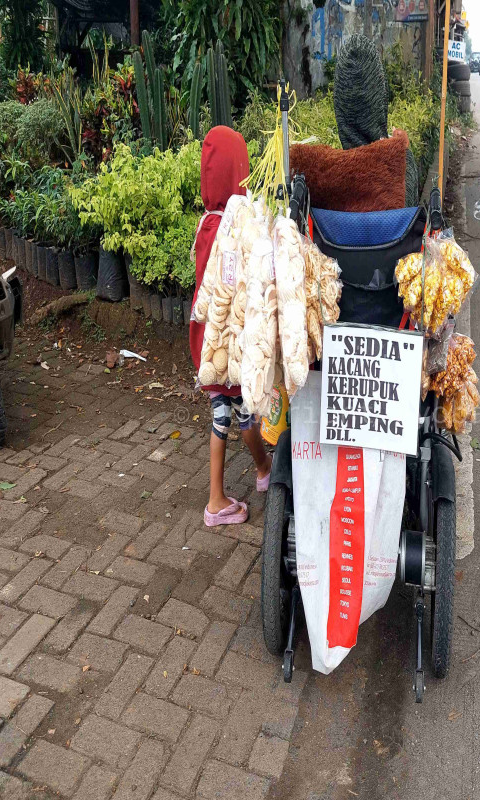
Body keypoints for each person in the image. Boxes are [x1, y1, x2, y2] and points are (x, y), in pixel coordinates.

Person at [189, 126, 272, 527]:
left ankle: (261, 470)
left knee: (231, 411)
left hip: (206, 338)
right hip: (226, 342)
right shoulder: (232, 228)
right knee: (236, 414)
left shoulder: (207, 223)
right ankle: (217, 500)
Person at [333, 34, 418, 207]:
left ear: (339, 104)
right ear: (381, 99)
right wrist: (403, 151)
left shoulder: (325, 176)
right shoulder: (398, 174)